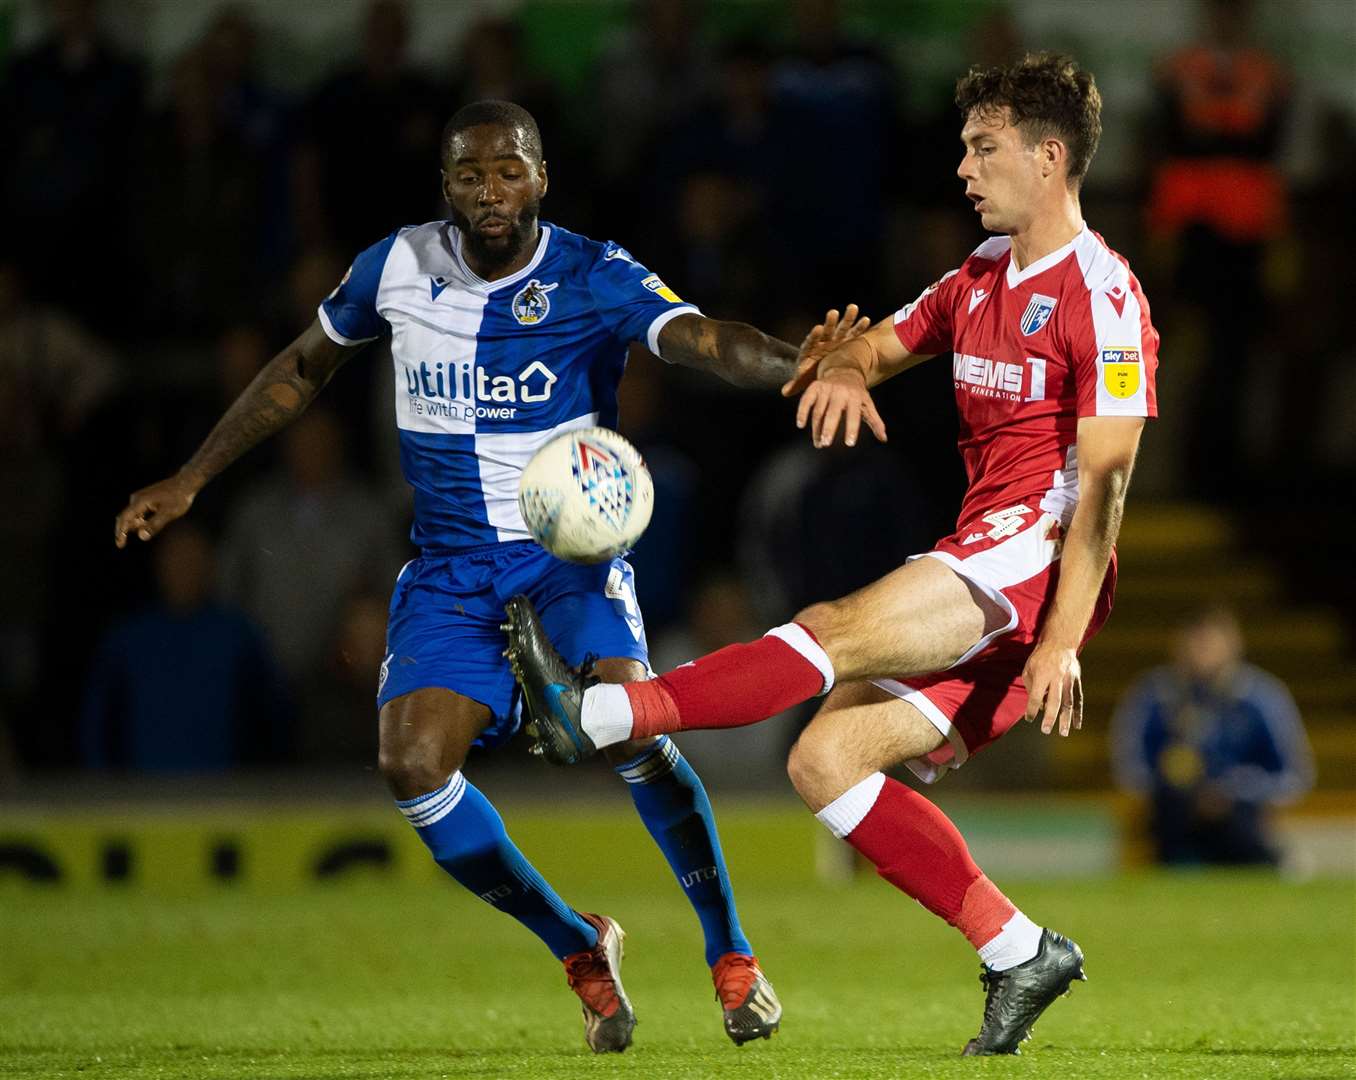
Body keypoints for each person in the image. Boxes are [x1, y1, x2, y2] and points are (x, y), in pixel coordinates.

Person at [113, 99, 862, 1052]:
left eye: (508, 171)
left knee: (631, 719)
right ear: (446, 185)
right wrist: (192, 476)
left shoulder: (594, 273)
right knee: (412, 767)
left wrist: (803, 365)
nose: (490, 192)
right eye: (469, 174)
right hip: (451, 568)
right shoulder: (395, 266)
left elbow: (704, 338)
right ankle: (580, 947)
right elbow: (303, 368)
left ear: (542, 177)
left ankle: (731, 953)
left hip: (569, 557)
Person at [506, 54, 1160, 1057]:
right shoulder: (978, 278)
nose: (963, 168)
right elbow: (871, 349)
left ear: (1049, 155)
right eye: (964, 148)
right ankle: (1018, 949)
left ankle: (597, 715)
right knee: (823, 761)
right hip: (979, 552)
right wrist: (844, 367)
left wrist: (1061, 642)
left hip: (1032, 561)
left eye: (984, 149)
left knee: (835, 629)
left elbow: (1106, 487)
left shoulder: (1104, 294)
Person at [1111, 606, 1313, 867]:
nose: (1201, 654)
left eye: (1210, 645)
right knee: (1171, 816)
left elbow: (1294, 775)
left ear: (1234, 645)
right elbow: (1130, 768)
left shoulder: (1262, 698)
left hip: (1242, 818)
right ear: (1178, 646)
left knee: (1242, 831)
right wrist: (1175, 787)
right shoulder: (1154, 696)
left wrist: (1237, 790)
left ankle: (1270, 862)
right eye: (1195, 643)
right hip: (1173, 817)